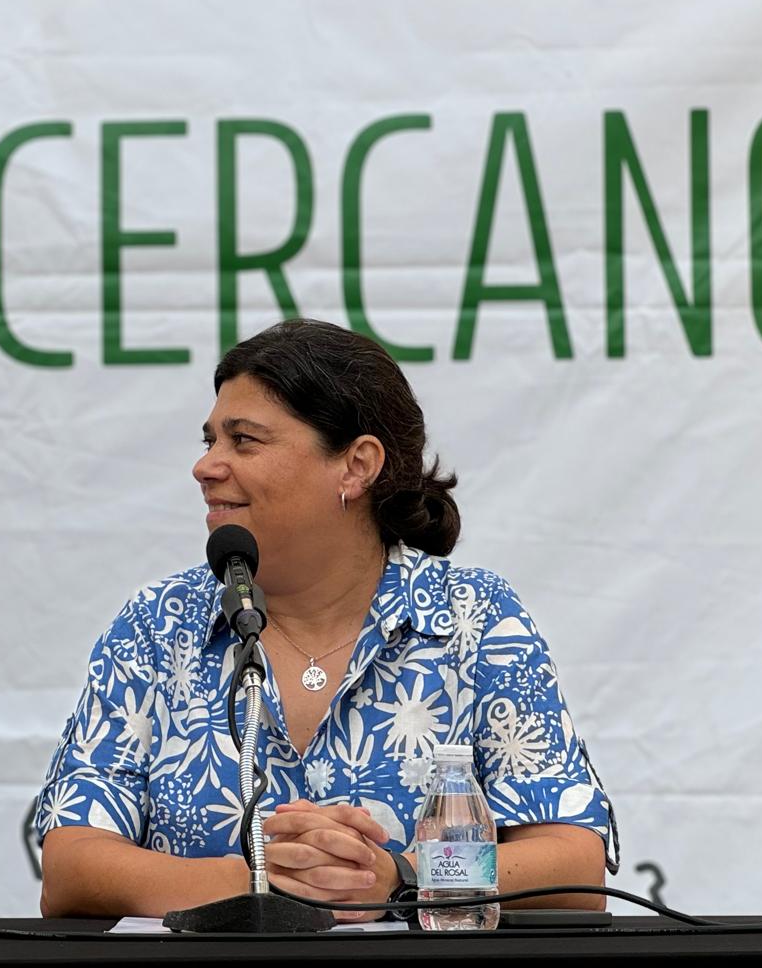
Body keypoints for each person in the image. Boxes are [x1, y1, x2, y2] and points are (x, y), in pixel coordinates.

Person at [33, 318, 615, 919]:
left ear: (356, 466)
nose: (206, 467)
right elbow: (72, 867)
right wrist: (258, 880)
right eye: (210, 442)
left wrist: (398, 876)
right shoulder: (159, 624)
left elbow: (573, 863)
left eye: (244, 441)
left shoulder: (475, 618)